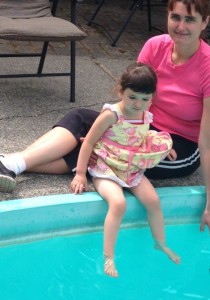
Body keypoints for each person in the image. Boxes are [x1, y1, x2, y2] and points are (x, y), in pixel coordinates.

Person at [1, 0, 210, 241]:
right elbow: (130, 100)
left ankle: (11, 163)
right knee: (81, 119)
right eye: (176, 17)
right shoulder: (155, 46)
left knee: (100, 155)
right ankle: (11, 164)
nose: (180, 26)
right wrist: (106, 131)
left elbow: (209, 141)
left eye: (190, 19)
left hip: (177, 147)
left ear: (205, 22)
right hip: (141, 126)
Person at [70, 62, 180, 277]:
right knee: (118, 203)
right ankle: (108, 256)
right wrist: (81, 173)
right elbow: (89, 142)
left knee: (153, 201)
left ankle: (160, 242)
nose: (138, 104)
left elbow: (141, 135)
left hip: (129, 168)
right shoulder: (112, 115)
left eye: (145, 99)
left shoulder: (144, 115)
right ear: (121, 91)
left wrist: (165, 147)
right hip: (106, 167)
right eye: (132, 97)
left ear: (152, 97)